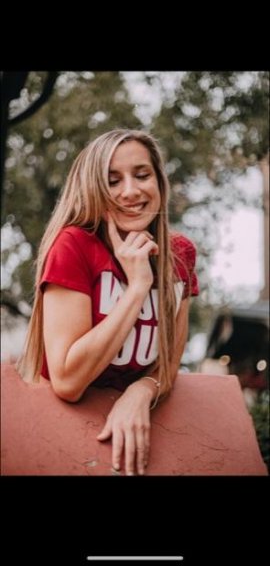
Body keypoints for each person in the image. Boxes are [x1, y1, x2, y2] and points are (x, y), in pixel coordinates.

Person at [17, 129, 199, 476]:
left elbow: (170, 362)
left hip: (141, 441)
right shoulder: (72, 246)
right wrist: (137, 287)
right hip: (61, 439)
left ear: (159, 182)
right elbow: (68, 381)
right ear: (93, 191)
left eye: (142, 175)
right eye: (112, 181)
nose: (130, 191)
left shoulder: (180, 254)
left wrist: (141, 391)